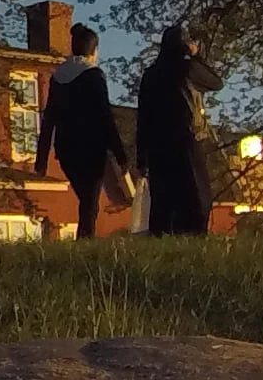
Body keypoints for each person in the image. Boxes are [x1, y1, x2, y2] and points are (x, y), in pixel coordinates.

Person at [35, 23, 126, 238]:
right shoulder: (94, 75)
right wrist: (120, 153)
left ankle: (85, 241)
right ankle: (85, 243)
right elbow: (105, 116)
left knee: (86, 198)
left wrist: (41, 159)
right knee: (89, 200)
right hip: (91, 148)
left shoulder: (58, 78)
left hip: (66, 150)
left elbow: (49, 120)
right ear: (93, 51)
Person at [133, 22, 221, 236]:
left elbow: (143, 116)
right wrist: (196, 56)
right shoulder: (188, 68)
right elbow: (216, 83)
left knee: (163, 199)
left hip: (158, 145)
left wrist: (141, 155)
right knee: (196, 195)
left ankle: (162, 239)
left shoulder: (151, 75)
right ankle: (192, 237)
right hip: (187, 140)